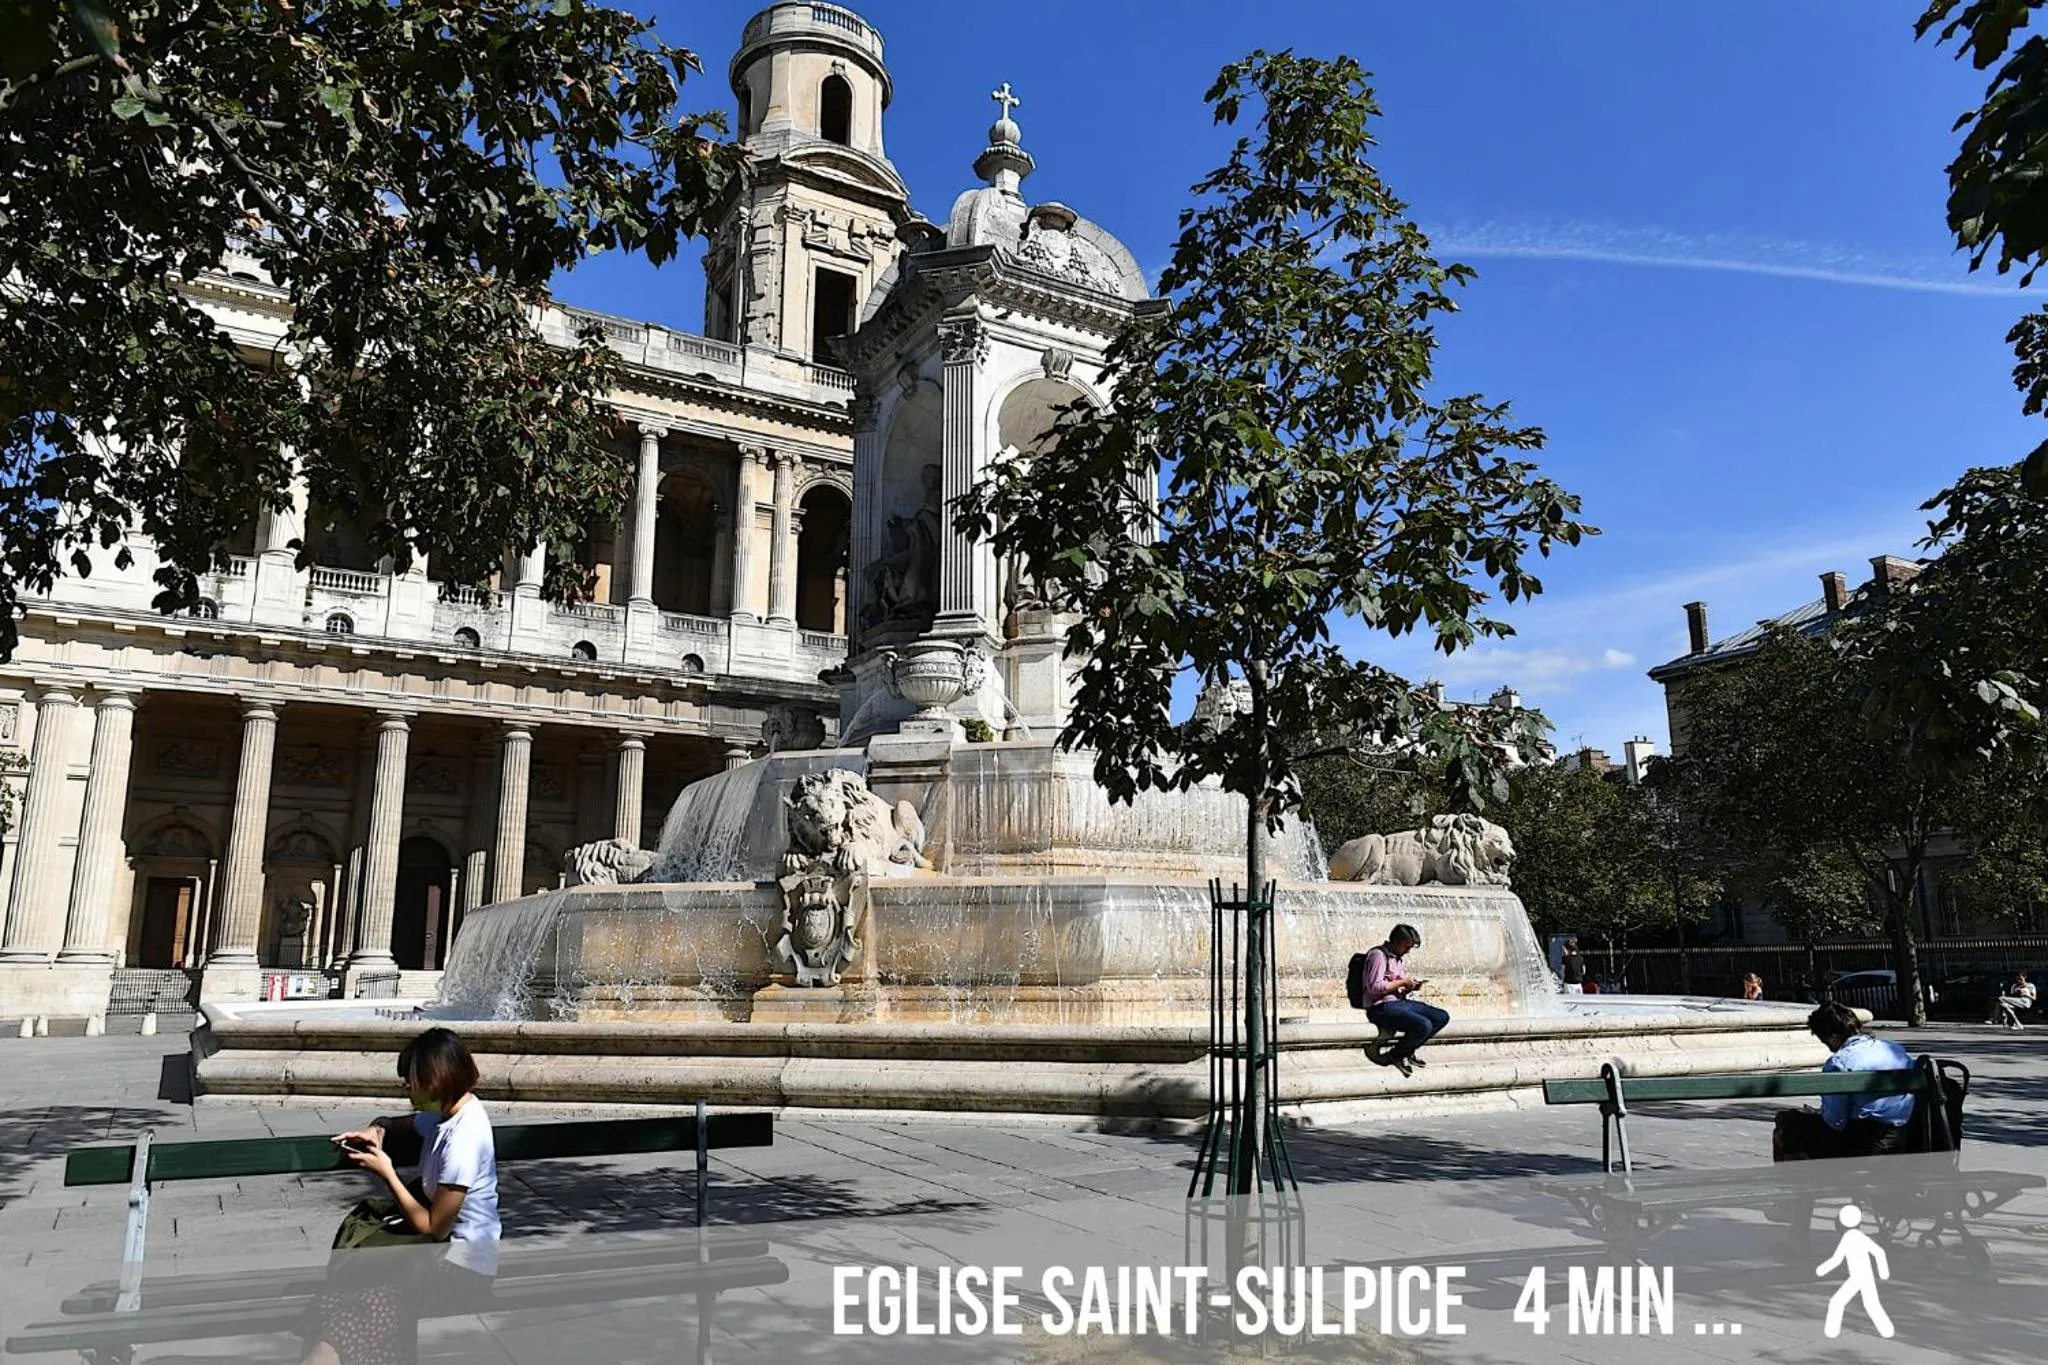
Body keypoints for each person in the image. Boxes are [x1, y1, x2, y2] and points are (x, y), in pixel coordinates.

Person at [304, 1028, 500, 1365]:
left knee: (362, 1302)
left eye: (409, 1080)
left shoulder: (465, 1139)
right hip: (432, 1258)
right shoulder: (447, 1113)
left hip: (463, 1270)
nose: (405, 1088)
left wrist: (387, 1173)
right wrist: (375, 1129)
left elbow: (434, 1227)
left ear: (434, 1079)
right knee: (351, 1299)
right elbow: (399, 1125)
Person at [1773, 1002, 1914, 1162]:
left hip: (1862, 1143)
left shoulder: (1839, 1063)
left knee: (1786, 1124)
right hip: (1900, 1135)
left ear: (1832, 1036)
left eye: (1823, 1039)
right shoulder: (1894, 1049)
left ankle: (1794, 1180)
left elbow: (1835, 1123)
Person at [1360, 924, 1450, 1077]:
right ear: (1396, 941)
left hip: (1398, 1003)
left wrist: (1409, 987)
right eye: (1406, 946)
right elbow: (1374, 986)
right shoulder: (1378, 955)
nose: (1408, 951)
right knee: (1423, 1025)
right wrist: (1402, 983)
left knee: (1441, 1017)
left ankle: (1407, 1051)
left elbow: (1394, 986)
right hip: (1380, 1007)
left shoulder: (1398, 958)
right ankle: (1395, 1056)